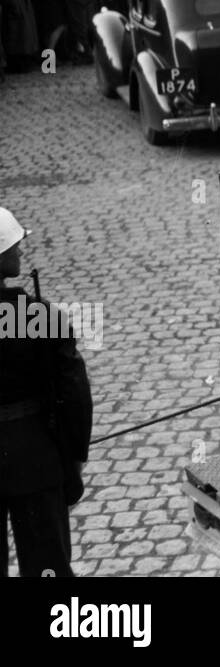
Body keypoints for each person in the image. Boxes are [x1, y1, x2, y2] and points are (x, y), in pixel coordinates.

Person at [0, 208, 93, 577]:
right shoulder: (34, 315)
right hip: (33, 458)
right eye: (13, 246)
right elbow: (73, 392)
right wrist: (74, 454)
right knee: (46, 566)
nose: (20, 251)